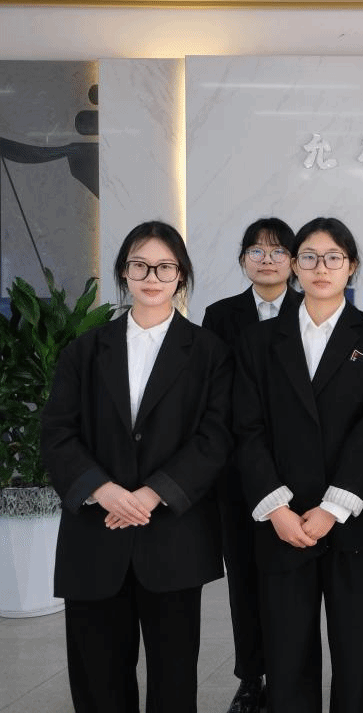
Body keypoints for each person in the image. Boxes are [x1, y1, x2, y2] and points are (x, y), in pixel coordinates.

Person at [41, 220, 233, 713]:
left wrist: (153, 494)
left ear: (181, 274)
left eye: (164, 267)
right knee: (97, 680)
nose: (152, 276)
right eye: (140, 265)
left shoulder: (209, 352)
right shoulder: (85, 350)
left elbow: (215, 437)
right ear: (124, 272)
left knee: (174, 681)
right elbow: (58, 432)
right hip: (94, 534)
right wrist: (102, 489)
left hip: (172, 536)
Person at [232, 217, 363, 713]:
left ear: (352, 266)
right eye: (309, 257)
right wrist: (276, 509)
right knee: (287, 654)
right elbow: (247, 429)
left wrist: (333, 507)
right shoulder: (259, 340)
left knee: (359, 652)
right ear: (294, 266)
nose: (321, 268)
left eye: (333, 258)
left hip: (351, 521)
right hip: (281, 521)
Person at [202, 217, 302, 713]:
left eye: (278, 251)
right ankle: (250, 678)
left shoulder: (311, 310)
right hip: (239, 474)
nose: (267, 260)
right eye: (256, 251)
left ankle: (291, 677)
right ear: (242, 259)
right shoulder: (221, 315)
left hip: (299, 476)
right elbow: (212, 395)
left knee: (292, 585)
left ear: (294, 262)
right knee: (244, 580)